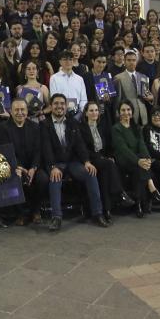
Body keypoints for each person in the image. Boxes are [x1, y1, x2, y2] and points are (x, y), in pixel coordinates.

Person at [40, 94, 109, 230]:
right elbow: (46, 148)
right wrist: (52, 167)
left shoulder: (73, 123)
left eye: (62, 103)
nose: (59, 106)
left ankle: (98, 213)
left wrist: (87, 161)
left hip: (72, 162)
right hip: (56, 163)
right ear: (51, 106)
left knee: (90, 173)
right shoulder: (44, 124)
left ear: (66, 106)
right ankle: (56, 217)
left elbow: (80, 145)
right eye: (56, 103)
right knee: (55, 178)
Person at [112, 100, 160, 217]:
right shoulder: (116, 128)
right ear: (119, 112)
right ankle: (152, 189)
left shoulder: (136, 127)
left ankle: (139, 205)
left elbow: (142, 145)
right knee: (140, 166)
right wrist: (139, 161)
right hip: (123, 159)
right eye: (123, 110)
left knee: (140, 170)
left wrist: (147, 158)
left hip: (138, 159)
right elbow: (123, 149)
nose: (126, 112)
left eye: (128, 110)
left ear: (132, 112)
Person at [80, 100, 130, 221]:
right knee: (108, 164)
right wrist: (101, 158)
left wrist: (110, 155)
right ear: (86, 113)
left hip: (103, 160)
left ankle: (106, 210)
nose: (94, 113)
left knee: (105, 174)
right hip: (89, 160)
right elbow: (82, 149)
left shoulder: (102, 127)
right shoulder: (81, 128)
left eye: (96, 110)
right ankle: (120, 193)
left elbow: (108, 146)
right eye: (91, 110)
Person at [3, 97, 49, 225]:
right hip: (14, 166)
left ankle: (36, 211)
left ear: (27, 111)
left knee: (43, 179)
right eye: (16, 110)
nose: (20, 112)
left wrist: (33, 168)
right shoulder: (4, 128)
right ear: (10, 111)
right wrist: (18, 167)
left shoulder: (35, 126)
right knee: (15, 178)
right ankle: (21, 213)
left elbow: (38, 150)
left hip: (33, 166)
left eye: (22, 109)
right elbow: (6, 152)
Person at [114, 50, 151, 126]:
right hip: (127, 116)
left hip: (143, 115)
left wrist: (151, 98)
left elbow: (147, 95)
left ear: (136, 62)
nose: (131, 62)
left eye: (134, 60)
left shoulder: (143, 77)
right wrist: (118, 117)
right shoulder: (118, 78)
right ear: (124, 61)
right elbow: (117, 101)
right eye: (129, 60)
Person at [48, 50, 88, 117]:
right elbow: (54, 98)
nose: (68, 62)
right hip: (60, 113)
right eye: (65, 59)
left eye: (70, 59)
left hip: (78, 114)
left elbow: (83, 99)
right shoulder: (54, 78)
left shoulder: (79, 79)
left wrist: (80, 114)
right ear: (60, 62)